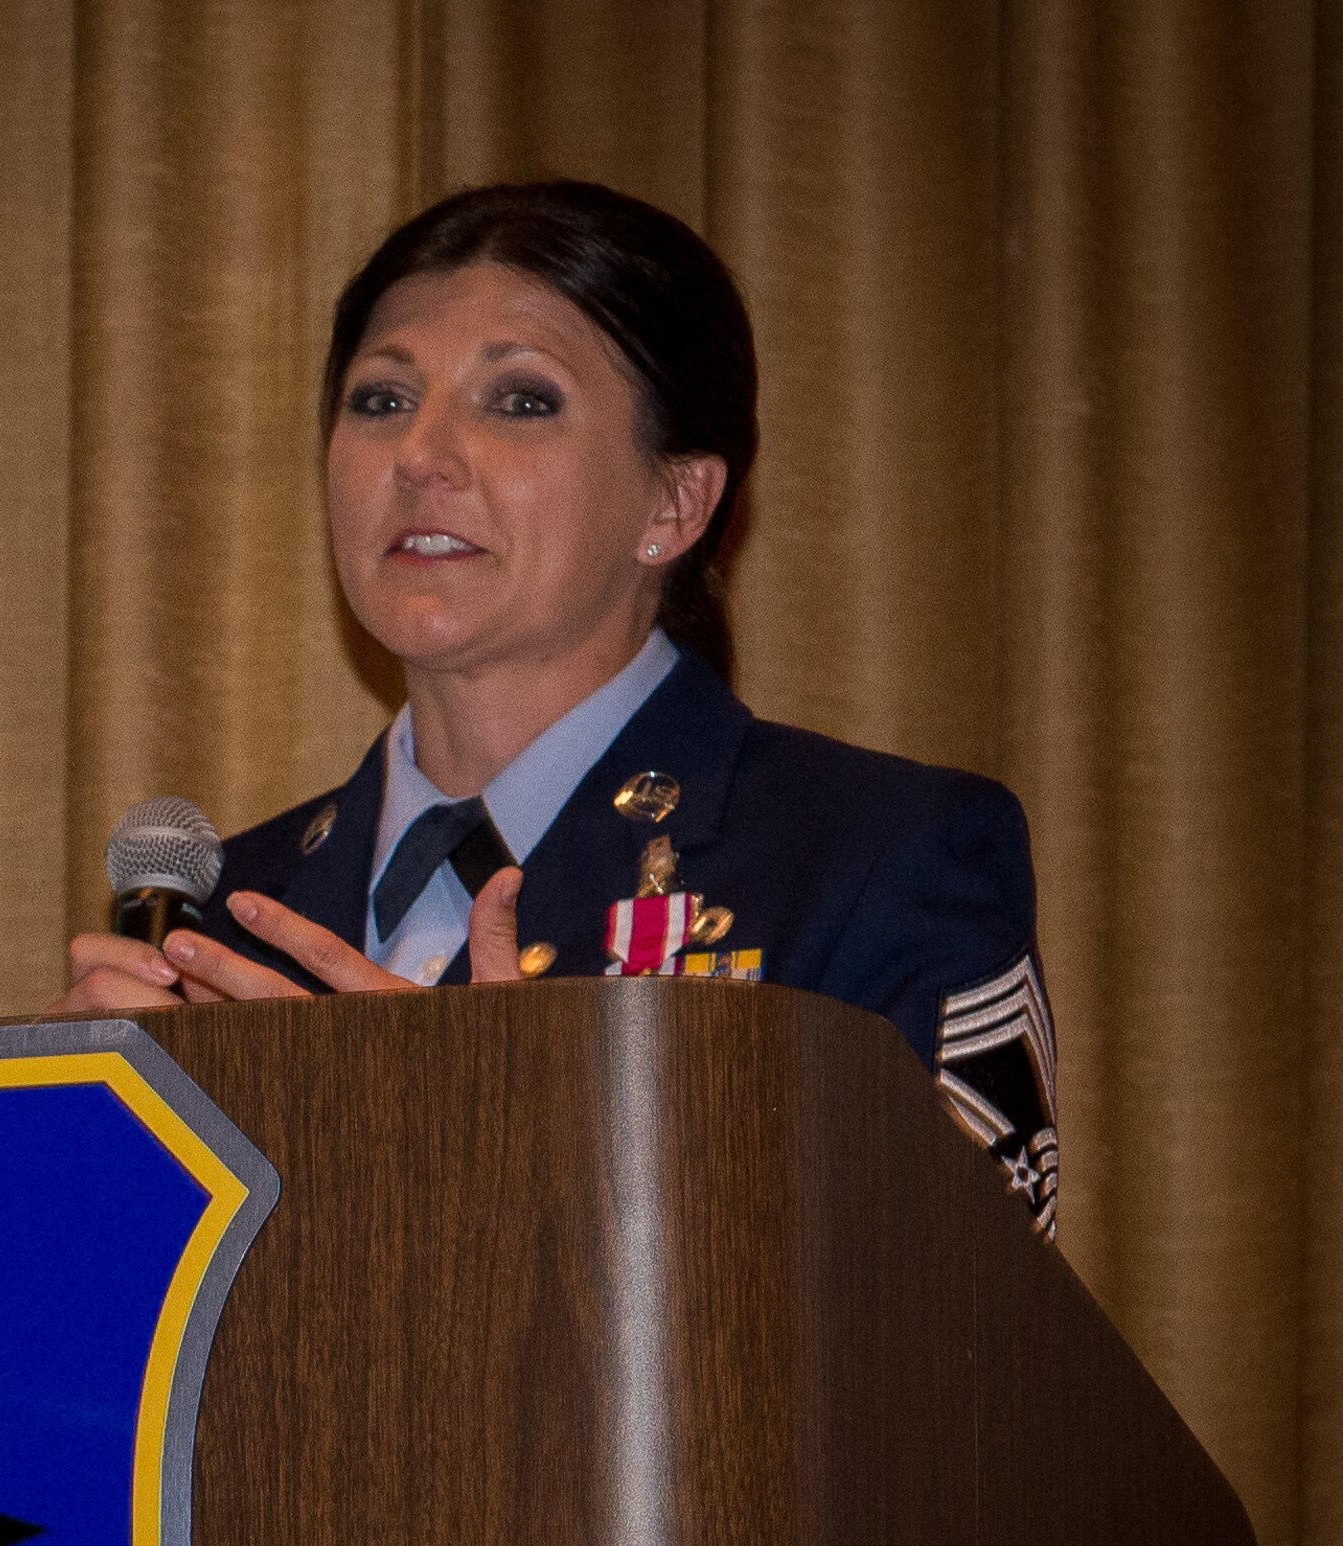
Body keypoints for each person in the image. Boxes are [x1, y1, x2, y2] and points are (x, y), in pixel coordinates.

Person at [56, 181, 1058, 1234]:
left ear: (672, 503)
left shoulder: (871, 858)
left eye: (519, 401)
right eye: (381, 400)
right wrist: (42, 1164)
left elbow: (962, 1339)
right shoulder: (222, 926)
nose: (420, 456)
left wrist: (526, 1150)